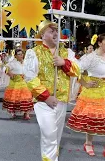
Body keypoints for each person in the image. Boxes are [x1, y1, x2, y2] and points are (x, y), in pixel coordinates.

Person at [23, 20, 80, 161]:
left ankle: (52, 158)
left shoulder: (67, 52)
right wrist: (46, 97)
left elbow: (78, 70)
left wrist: (64, 63)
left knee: (56, 135)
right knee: (49, 134)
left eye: (56, 30)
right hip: (43, 101)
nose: (55, 33)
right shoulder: (33, 52)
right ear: (42, 35)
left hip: (61, 100)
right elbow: (30, 77)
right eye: (51, 31)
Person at [67, 34, 105, 161]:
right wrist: (85, 83)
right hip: (94, 92)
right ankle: (88, 143)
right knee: (93, 119)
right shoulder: (90, 58)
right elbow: (77, 70)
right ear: (99, 43)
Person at [3, 49, 33, 120]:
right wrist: (9, 73)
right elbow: (5, 68)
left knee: (27, 98)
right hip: (15, 83)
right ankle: (13, 112)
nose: (21, 55)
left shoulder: (26, 62)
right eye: (19, 54)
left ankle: (26, 113)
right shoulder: (12, 63)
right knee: (14, 99)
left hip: (24, 82)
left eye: (22, 54)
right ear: (15, 56)